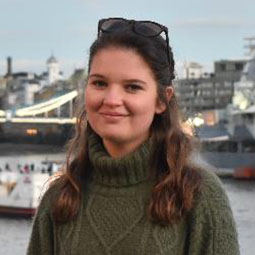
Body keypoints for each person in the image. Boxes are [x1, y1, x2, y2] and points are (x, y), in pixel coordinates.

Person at [27, 18, 240, 255]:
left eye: (132, 87)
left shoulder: (199, 196)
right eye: (99, 83)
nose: (111, 100)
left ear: (162, 99)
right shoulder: (60, 197)